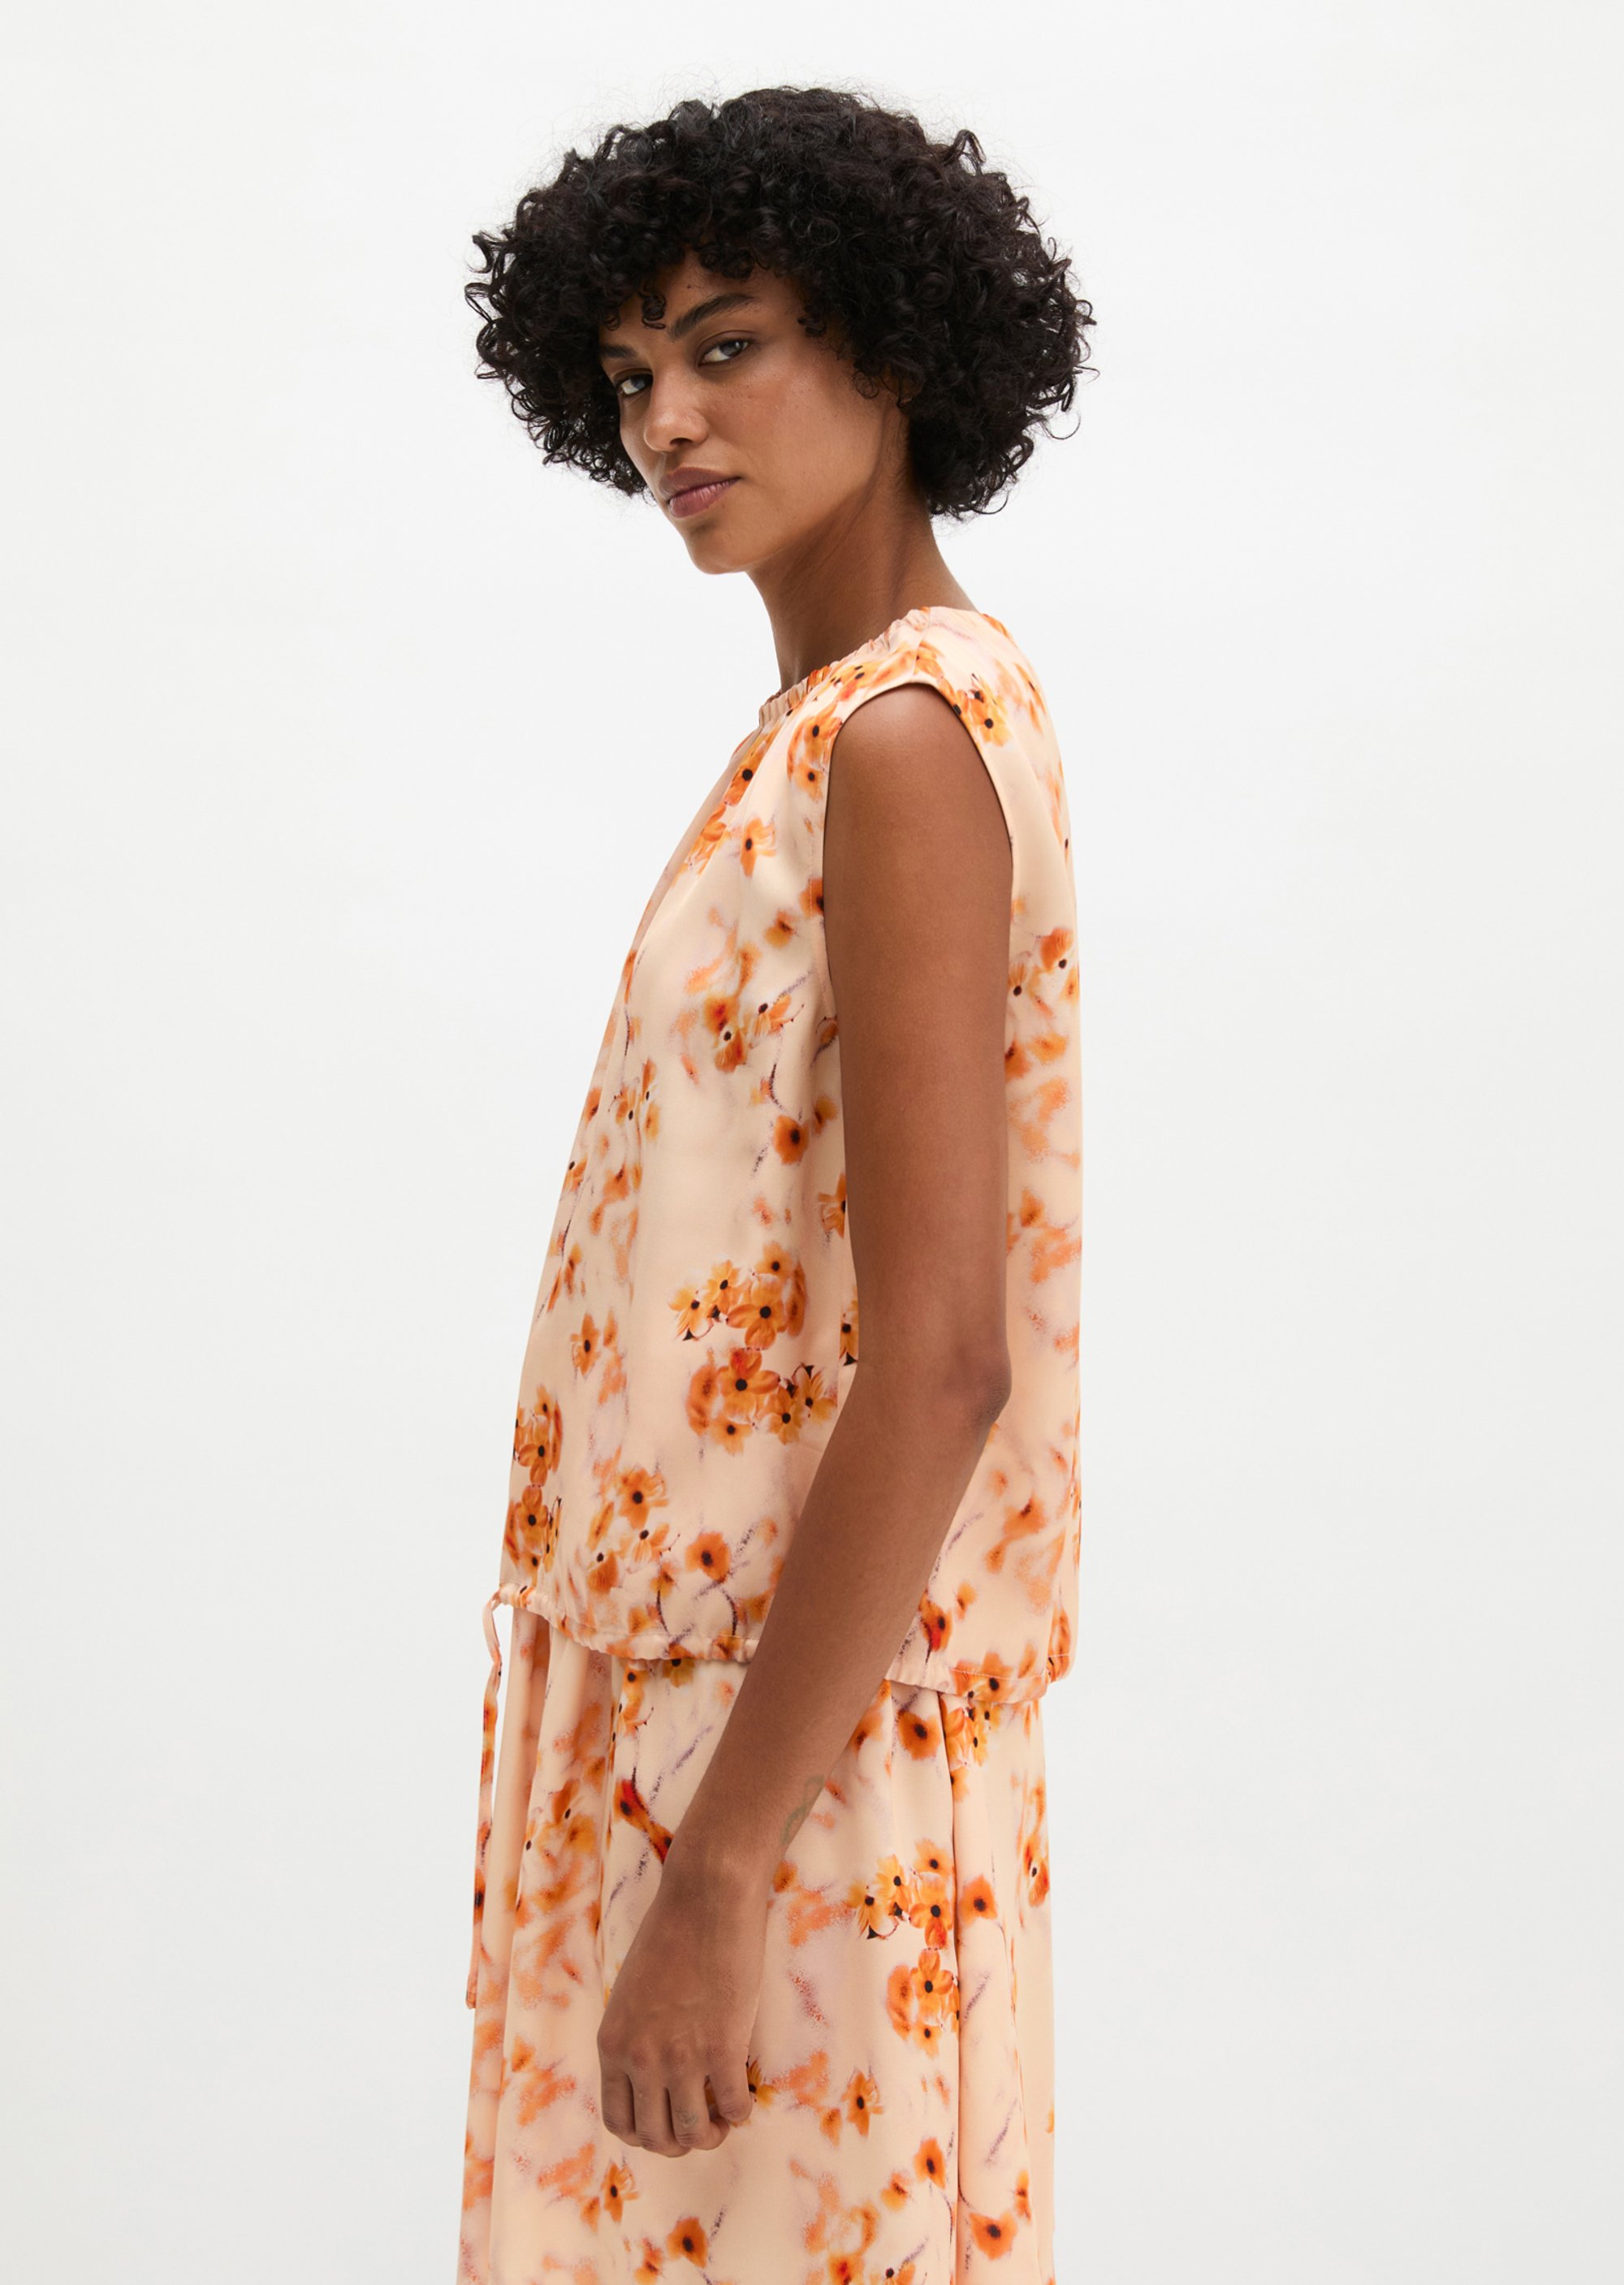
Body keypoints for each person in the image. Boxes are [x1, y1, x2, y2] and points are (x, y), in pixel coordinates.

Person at [456, 84, 1093, 2285]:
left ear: (895, 349)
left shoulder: (904, 741)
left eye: (725, 347)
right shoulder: (819, 735)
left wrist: (722, 1871)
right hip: (690, 1741)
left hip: (781, 1777)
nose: (666, 421)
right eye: (630, 372)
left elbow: (941, 1361)